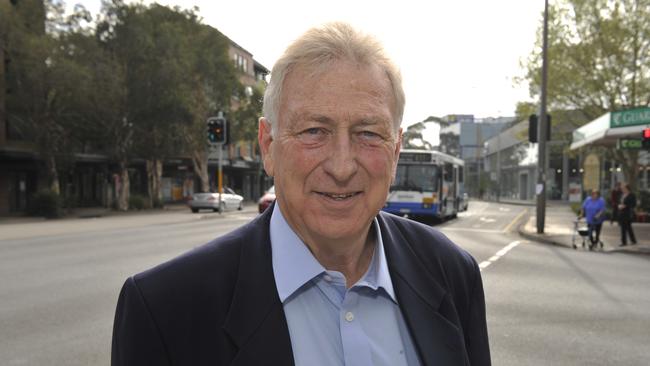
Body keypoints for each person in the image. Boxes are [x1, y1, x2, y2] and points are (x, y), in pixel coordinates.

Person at [111, 22, 490, 366]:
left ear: (395, 151)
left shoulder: (454, 274)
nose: (341, 166)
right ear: (267, 145)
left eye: (369, 134)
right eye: (313, 131)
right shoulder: (164, 309)